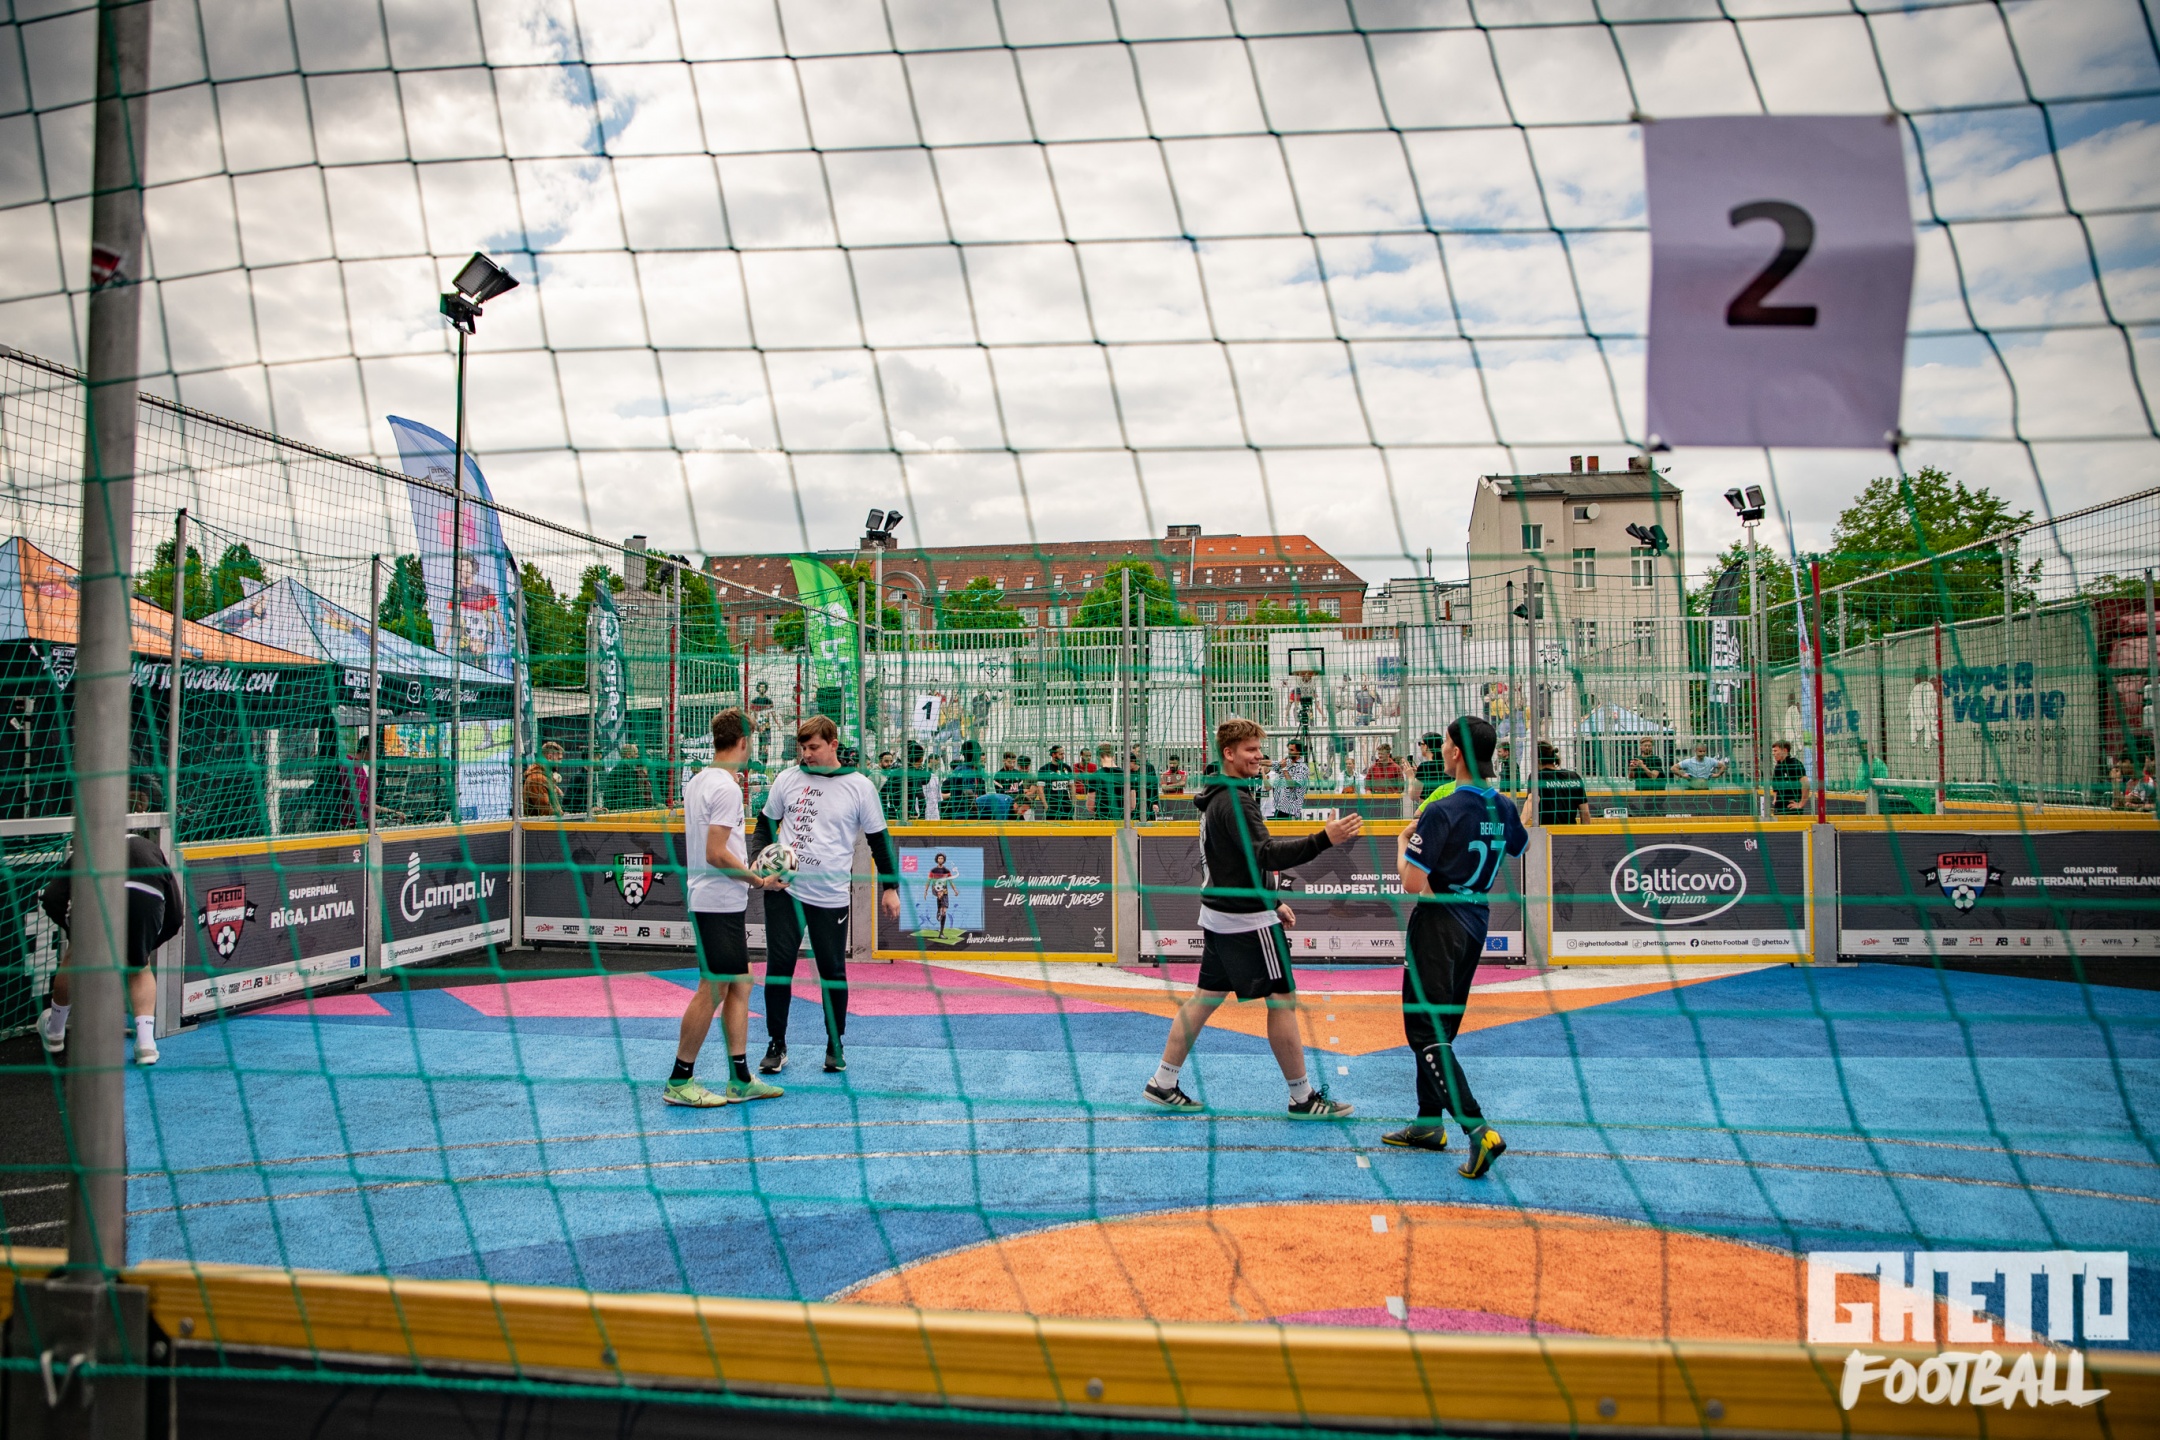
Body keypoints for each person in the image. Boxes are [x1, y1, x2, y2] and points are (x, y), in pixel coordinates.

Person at [1142, 717, 1360, 1119]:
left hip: (1220, 913)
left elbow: (1236, 861)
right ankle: (1302, 1098)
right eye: (1250, 750)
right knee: (1282, 1001)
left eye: (1259, 749)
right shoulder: (1236, 801)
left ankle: (1162, 1081)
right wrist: (1324, 839)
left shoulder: (1220, 796)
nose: (1259, 756)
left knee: (1204, 999)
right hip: (1245, 920)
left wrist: (1272, 900)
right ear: (1229, 753)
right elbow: (1266, 854)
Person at [1385, 715, 1527, 1179]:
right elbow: (1519, 844)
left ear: (1457, 752)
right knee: (1442, 1027)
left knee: (1425, 1030)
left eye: (1445, 743)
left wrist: (1402, 841)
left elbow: (1412, 883)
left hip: (1438, 921)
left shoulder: (1443, 808)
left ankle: (1478, 1129)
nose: (1441, 751)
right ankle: (1429, 1124)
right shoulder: (1502, 805)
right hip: (1475, 920)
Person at [753, 716, 903, 1075]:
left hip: (830, 896)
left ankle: (835, 1044)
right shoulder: (787, 779)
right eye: (802, 748)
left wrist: (890, 887)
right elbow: (764, 826)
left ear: (833, 744)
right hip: (785, 893)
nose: (807, 754)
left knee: (832, 971)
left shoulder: (860, 786)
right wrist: (760, 865)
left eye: (814, 747)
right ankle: (776, 1043)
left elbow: (879, 840)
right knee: (778, 969)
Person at [665, 709, 788, 1108]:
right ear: (743, 742)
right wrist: (758, 880)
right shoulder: (727, 788)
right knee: (714, 987)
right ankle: (680, 1080)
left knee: (741, 981)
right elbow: (716, 853)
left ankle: (740, 1079)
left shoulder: (700, 780)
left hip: (718, 900)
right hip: (716, 901)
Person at [39, 833, 184, 1065]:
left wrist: (73, 932)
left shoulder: (91, 845)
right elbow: (176, 917)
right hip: (146, 894)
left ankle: (55, 1032)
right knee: (140, 966)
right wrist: (144, 948)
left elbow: (51, 897)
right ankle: (146, 1045)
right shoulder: (151, 850)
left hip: (101, 890)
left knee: (74, 957)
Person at [1535, 741, 1590, 826]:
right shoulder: (1574, 777)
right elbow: (1585, 813)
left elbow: (1531, 802)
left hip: (1547, 831)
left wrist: (1521, 822)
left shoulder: (1537, 777)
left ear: (1537, 760)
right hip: (1570, 831)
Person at [524, 740, 566, 817]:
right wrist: (562, 815)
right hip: (540, 824)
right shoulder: (537, 779)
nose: (560, 762)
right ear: (549, 757)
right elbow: (546, 811)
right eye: (559, 759)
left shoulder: (543, 777)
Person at [1272, 740, 1309, 820]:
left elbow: (1292, 785)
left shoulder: (1302, 768)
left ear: (1299, 751)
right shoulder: (1287, 762)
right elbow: (1272, 763)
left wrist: (1284, 769)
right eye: (1288, 749)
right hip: (1279, 807)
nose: (1289, 752)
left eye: (1291, 750)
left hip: (1290, 810)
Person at [1770, 739, 1809, 814]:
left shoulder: (1794, 764)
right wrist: (1775, 800)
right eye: (1773, 751)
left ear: (1784, 750)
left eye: (1775, 751)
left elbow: (1806, 784)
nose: (1773, 753)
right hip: (1779, 808)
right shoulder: (1778, 767)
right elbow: (1775, 787)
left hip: (1791, 808)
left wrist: (1801, 804)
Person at [344, 734, 373, 829]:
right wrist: (387, 811)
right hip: (353, 822)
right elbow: (361, 801)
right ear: (365, 750)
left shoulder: (349, 762)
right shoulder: (356, 768)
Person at [1094, 745, 1127, 821]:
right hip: (1123, 820)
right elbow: (1132, 805)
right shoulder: (1126, 775)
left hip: (1102, 819)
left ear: (1098, 757)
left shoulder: (1096, 775)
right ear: (1114, 756)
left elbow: (1090, 806)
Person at [1041, 744, 1075, 819]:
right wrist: (1046, 806)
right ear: (1053, 755)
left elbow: (1072, 787)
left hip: (1066, 805)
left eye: (1063, 754)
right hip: (1052, 805)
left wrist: (1073, 804)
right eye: (1060, 754)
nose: (1063, 756)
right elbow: (1040, 789)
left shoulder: (1067, 768)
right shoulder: (1044, 769)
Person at [1413, 732, 1448, 801]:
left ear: (1426, 746)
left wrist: (1410, 776)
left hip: (1429, 805)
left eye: (1420, 744)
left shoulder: (1424, 767)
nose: (1420, 747)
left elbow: (1413, 796)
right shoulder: (1447, 765)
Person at [750, 681, 776, 762]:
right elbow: (750, 713)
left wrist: (778, 724)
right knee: (760, 744)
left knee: (766, 744)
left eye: (763, 687)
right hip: (758, 726)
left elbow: (773, 714)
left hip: (766, 725)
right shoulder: (754, 701)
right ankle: (760, 760)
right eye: (760, 687)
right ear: (758, 688)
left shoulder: (769, 701)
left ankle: (765, 761)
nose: (762, 689)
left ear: (766, 689)